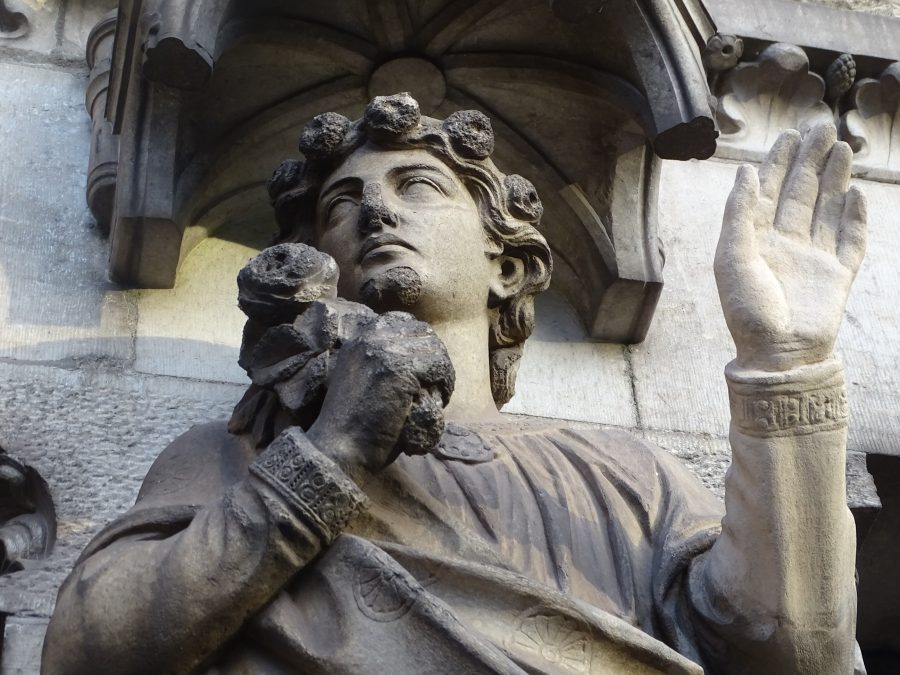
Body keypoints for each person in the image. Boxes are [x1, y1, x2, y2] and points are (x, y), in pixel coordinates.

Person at [42, 93, 867, 674]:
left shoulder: (628, 477)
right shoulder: (236, 452)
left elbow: (792, 651)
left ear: (506, 261)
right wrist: (326, 458)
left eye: (418, 186)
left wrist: (784, 366)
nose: (375, 212)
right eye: (342, 201)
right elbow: (90, 648)